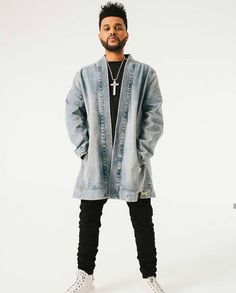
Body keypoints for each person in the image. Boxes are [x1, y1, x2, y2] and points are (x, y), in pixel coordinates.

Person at [64, 2, 165, 292]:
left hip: (135, 163)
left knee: (143, 219)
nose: (112, 31)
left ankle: (150, 276)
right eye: (107, 27)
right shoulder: (85, 75)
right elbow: (72, 110)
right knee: (89, 219)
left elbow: (154, 115)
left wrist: (142, 153)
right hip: (95, 160)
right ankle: (86, 277)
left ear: (126, 34)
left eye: (117, 27)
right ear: (99, 35)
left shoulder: (146, 74)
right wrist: (84, 149)